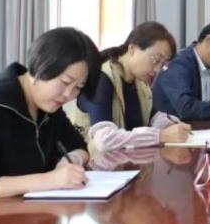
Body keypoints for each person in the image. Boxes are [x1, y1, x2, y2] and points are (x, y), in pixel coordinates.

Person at [0, 28, 101, 217]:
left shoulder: (49, 106)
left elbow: (78, 146)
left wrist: (71, 160)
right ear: (41, 65)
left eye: (78, 88)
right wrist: (49, 180)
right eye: (65, 82)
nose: (68, 95)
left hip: (24, 214)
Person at [66, 22, 191, 154]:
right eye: (155, 60)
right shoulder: (102, 78)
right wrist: (160, 136)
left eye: (163, 64)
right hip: (95, 163)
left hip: (127, 161)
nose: (157, 70)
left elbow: (152, 116)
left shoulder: (140, 81)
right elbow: (105, 140)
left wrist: (171, 125)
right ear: (132, 49)